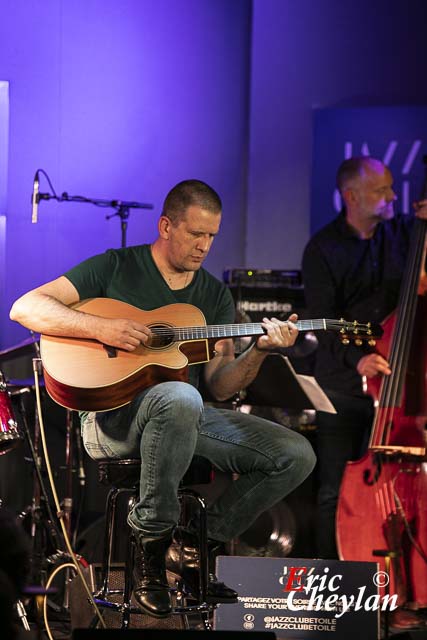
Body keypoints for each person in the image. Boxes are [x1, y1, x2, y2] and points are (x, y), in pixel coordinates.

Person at [10, 179, 316, 619]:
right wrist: (101, 328)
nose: (204, 246)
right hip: (110, 419)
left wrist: (261, 351)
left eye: (212, 236)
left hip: (180, 415)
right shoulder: (115, 267)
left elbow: (223, 385)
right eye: (195, 234)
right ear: (166, 225)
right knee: (179, 395)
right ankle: (149, 556)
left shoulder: (212, 295)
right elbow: (26, 307)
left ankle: (192, 547)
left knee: (296, 453)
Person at [302, 156, 427, 561]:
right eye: (382, 190)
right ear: (351, 196)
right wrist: (358, 360)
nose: (393, 196)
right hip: (341, 387)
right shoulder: (322, 248)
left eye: (392, 187)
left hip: (393, 390)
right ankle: (333, 585)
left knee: (397, 493)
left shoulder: (407, 234)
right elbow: (323, 321)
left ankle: (394, 586)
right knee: (334, 490)